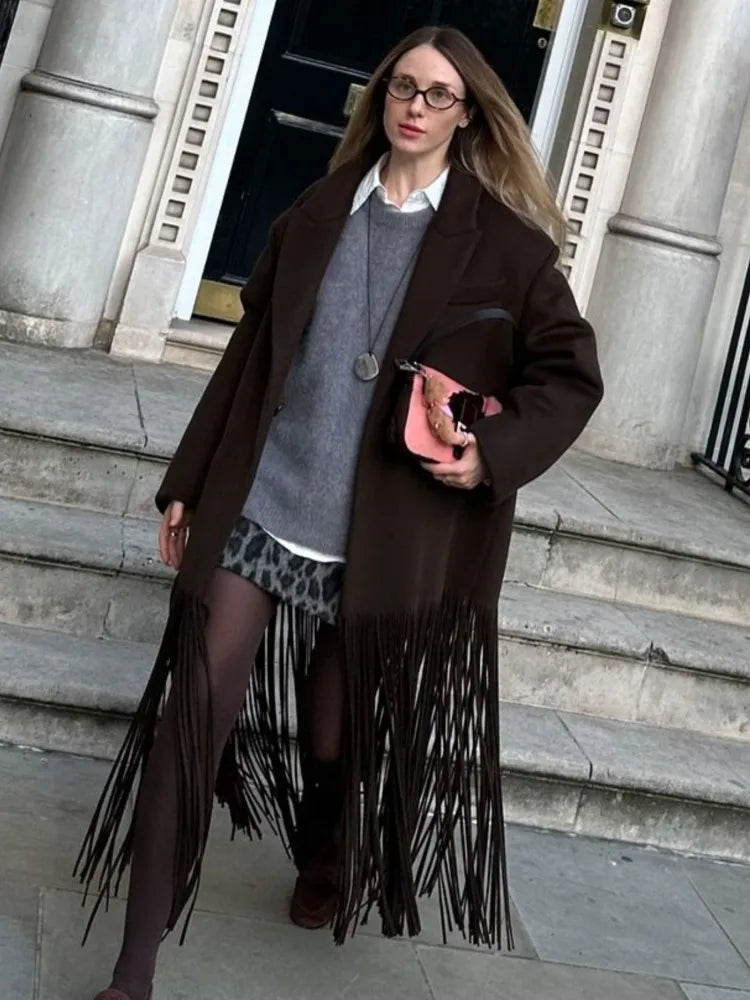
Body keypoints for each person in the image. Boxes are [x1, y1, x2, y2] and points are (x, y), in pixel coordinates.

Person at [76, 24, 603, 1000]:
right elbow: (247, 359)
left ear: (470, 113)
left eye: (437, 93)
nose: (413, 105)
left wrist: (491, 447)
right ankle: (132, 969)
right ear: (378, 97)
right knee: (194, 717)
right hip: (265, 501)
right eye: (401, 85)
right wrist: (188, 480)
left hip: (381, 534)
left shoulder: (505, 249)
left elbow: (572, 376)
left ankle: (327, 853)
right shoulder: (319, 211)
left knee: (333, 737)